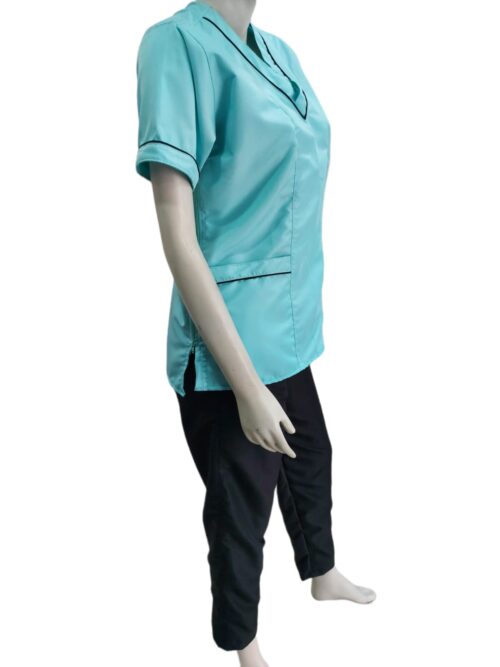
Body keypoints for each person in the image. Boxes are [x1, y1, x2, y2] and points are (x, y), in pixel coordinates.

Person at [135, 1, 376, 664]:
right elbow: (178, 238)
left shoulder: (279, 54)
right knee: (241, 508)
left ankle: (322, 572)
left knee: (310, 457)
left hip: (287, 324)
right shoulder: (175, 46)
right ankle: (243, 644)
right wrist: (245, 388)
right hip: (228, 340)